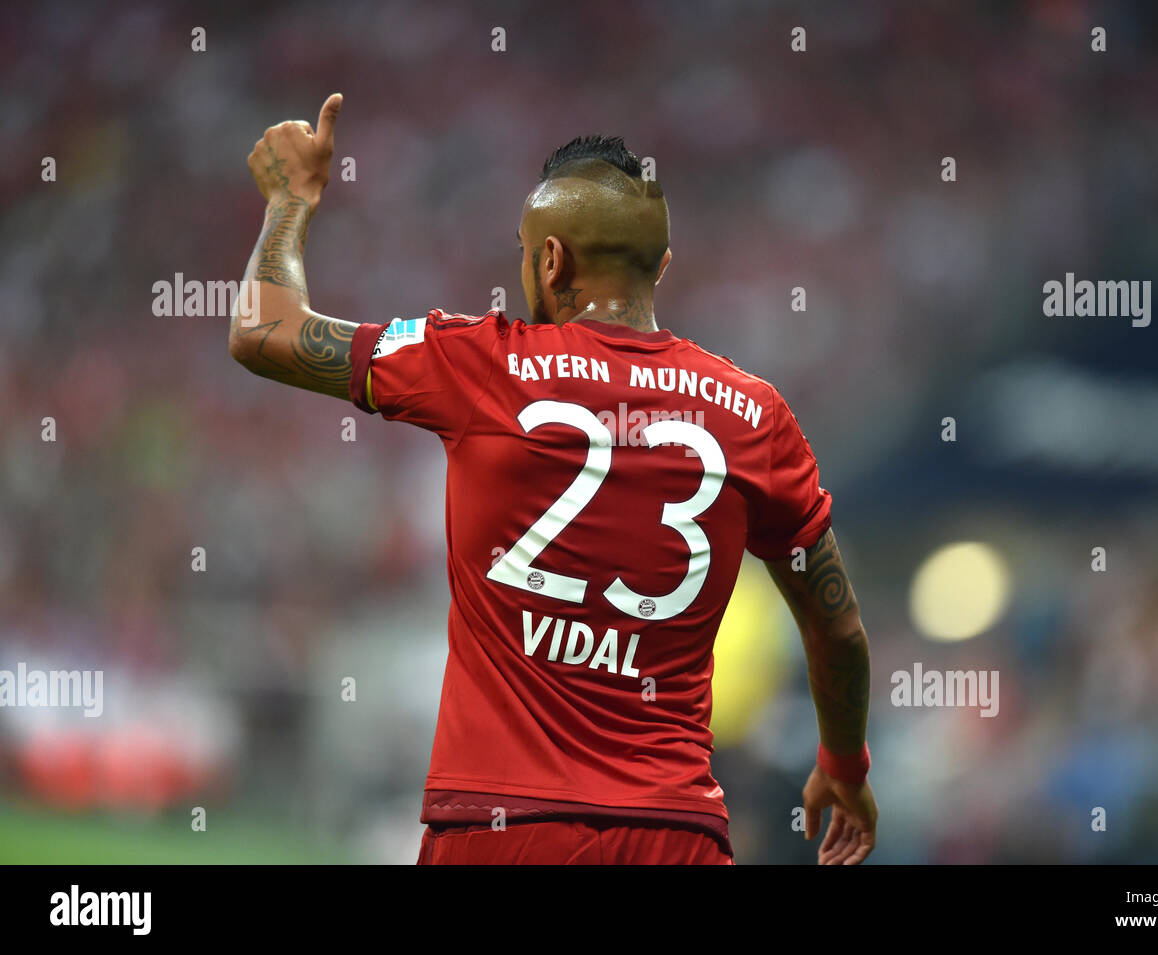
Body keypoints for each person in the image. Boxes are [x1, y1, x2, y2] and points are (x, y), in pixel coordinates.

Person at [229, 94, 877, 865]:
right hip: (674, 835)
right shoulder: (755, 415)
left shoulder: (477, 363)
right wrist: (844, 765)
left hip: (499, 829)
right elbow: (835, 626)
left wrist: (290, 201)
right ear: (660, 265)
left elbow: (265, 330)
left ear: (549, 260)